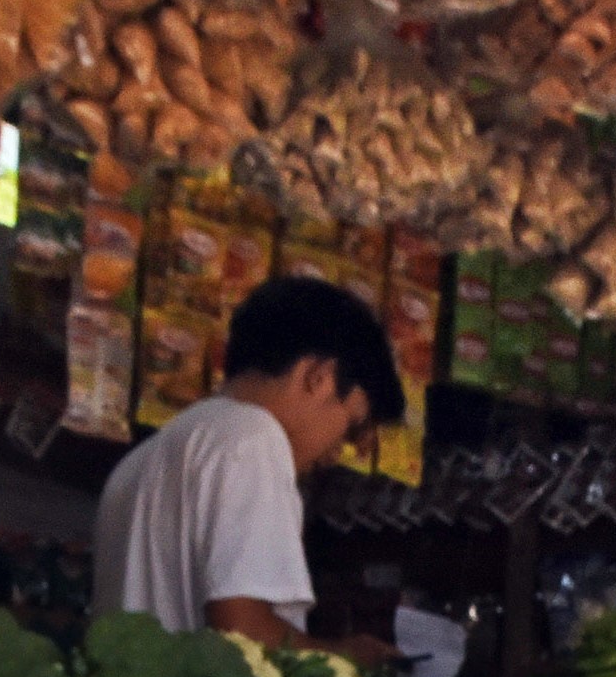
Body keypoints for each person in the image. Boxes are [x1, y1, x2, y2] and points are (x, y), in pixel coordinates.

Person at [91, 275, 406, 654]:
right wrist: (347, 657)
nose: (338, 452)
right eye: (350, 426)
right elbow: (242, 632)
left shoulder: (148, 455)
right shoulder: (253, 437)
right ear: (319, 377)